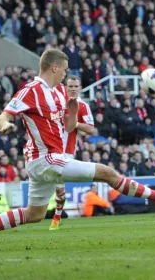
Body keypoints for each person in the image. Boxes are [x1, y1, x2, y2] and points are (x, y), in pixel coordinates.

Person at [0, 48, 155, 240]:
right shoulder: (31, 90)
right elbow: (3, 116)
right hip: (46, 158)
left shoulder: (59, 92)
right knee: (108, 173)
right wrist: (5, 125)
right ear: (54, 67)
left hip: (44, 160)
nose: (65, 75)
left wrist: (74, 111)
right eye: (64, 70)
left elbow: (68, 127)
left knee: (35, 214)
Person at [49, 75, 95, 230]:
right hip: (48, 149)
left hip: (66, 151)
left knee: (59, 186)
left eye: (76, 86)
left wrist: (75, 123)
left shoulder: (83, 106)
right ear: (65, 87)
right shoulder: (56, 102)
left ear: (80, 88)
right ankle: (55, 214)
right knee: (55, 185)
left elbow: (90, 128)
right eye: (71, 86)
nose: (73, 89)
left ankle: (57, 216)